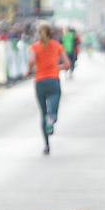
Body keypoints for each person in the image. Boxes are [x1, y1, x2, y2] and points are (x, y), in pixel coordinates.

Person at [29, 23, 70, 155]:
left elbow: (30, 62)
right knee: (53, 110)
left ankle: (46, 145)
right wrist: (57, 68)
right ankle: (52, 118)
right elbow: (67, 64)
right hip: (53, 80)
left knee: (43, 113)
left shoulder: (35, 47)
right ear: (51, 33)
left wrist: (29, 70)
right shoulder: (57, 45)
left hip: (39, 82)